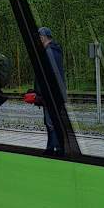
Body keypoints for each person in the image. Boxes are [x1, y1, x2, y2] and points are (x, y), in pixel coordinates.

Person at [35, 27, 66, 156]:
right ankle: (53, 147)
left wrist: (40, 91)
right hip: (55, 93)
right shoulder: (55, 51)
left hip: (51, 94)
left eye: (39, 37)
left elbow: (46, 75)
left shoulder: (48, 52)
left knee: (50, 122)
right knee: (52, 121)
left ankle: (55, 149)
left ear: (43, 37)